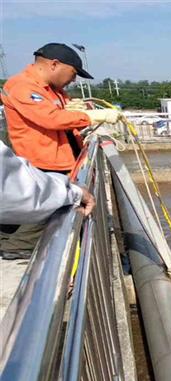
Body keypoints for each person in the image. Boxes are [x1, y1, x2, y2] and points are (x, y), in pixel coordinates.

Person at [1, 43, 115, 256]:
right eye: (73, 73)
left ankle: (13, 242)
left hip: (60, 163)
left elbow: (66, 115)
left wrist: (81, 111)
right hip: (42, 165)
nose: (74, 80)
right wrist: (90, 116)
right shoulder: (22, 86)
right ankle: (18, 251)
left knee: (33, 213)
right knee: (41, 214)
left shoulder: (53, 91)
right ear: (54, 64)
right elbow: (50, 118)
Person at [0, 141, 95, 258]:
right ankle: (19, 245)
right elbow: (17, 192)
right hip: (41, 155)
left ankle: (16, 243)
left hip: (42, 158)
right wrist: (71, 192)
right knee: (49, 207)